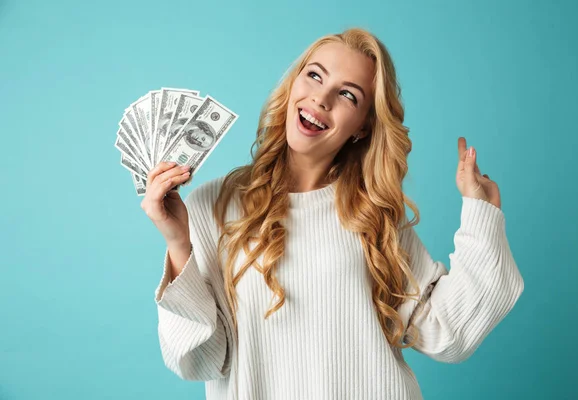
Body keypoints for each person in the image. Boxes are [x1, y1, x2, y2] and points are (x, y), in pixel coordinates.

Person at [141, 27, 525, 400]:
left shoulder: (372, 213)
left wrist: (482, 213)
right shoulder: (215, 205)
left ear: (362, 127)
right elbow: (200, 359)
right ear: (293, 85)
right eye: (313, 76)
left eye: (347, 95)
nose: (321, 99)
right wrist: (178, 242)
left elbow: (448, 331)